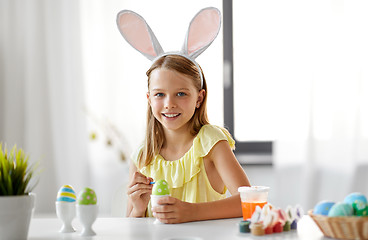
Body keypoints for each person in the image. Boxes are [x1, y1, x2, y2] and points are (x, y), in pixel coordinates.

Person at [116, 7, 251, 223]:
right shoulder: (142, 156)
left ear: (199, 98)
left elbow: (250, 202)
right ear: (149, 99)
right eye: (160, 94)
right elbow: (131, 224)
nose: (169, 104)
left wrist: (192, 212)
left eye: (181, 93)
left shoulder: (211, 142)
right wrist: (138, 210)